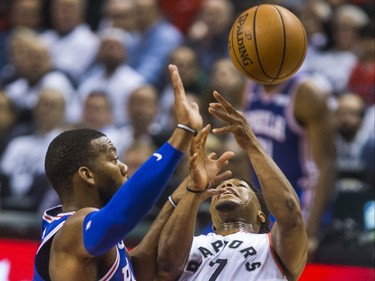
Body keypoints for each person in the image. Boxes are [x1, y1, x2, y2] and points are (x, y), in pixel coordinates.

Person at [32, 64, 204, 280]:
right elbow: (123, 215)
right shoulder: (74, 227)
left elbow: (137, 271)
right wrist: (183, 133)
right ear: (87, 175)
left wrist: (180, 196)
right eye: (113, 158)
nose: (123, 166)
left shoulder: (88, 234)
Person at [156, 91, 308, 281]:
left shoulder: (272, 245)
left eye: (241, 186)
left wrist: (251, 143)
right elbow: (165, 268)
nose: (227, 184)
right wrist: (194, 190)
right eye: (224, 185)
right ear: (212, 220)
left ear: (261, 215)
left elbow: (291, 214)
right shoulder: (192, 244)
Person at [243, 71, 337, 260]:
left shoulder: (306, 93)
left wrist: (310, 230)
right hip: (264, 205)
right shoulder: (250, 88)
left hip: (299, 204)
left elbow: (326, 165)